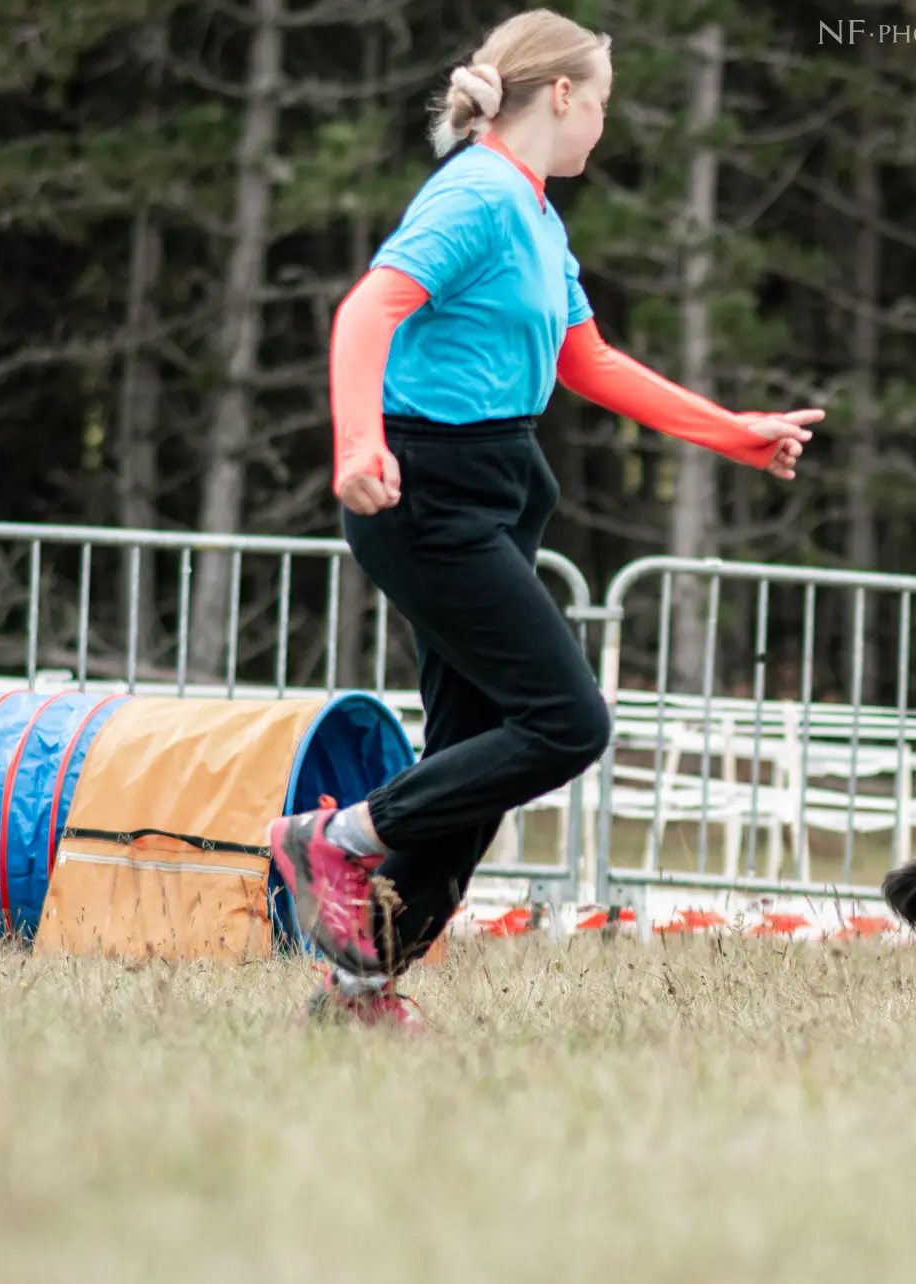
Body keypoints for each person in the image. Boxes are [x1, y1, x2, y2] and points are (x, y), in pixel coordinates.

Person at [268, 9, 821, 1030]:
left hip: (492, 487)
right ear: (559, 95)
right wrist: (356, 446)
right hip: (423, 491)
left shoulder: (533, 213)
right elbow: (365, 311)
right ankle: (336, 839)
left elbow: (587, 361)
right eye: (601, 104)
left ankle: (358, 987)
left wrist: (731, 432)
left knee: (472, 752)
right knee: (566, 722)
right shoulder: (476, 194)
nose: (603, 127)